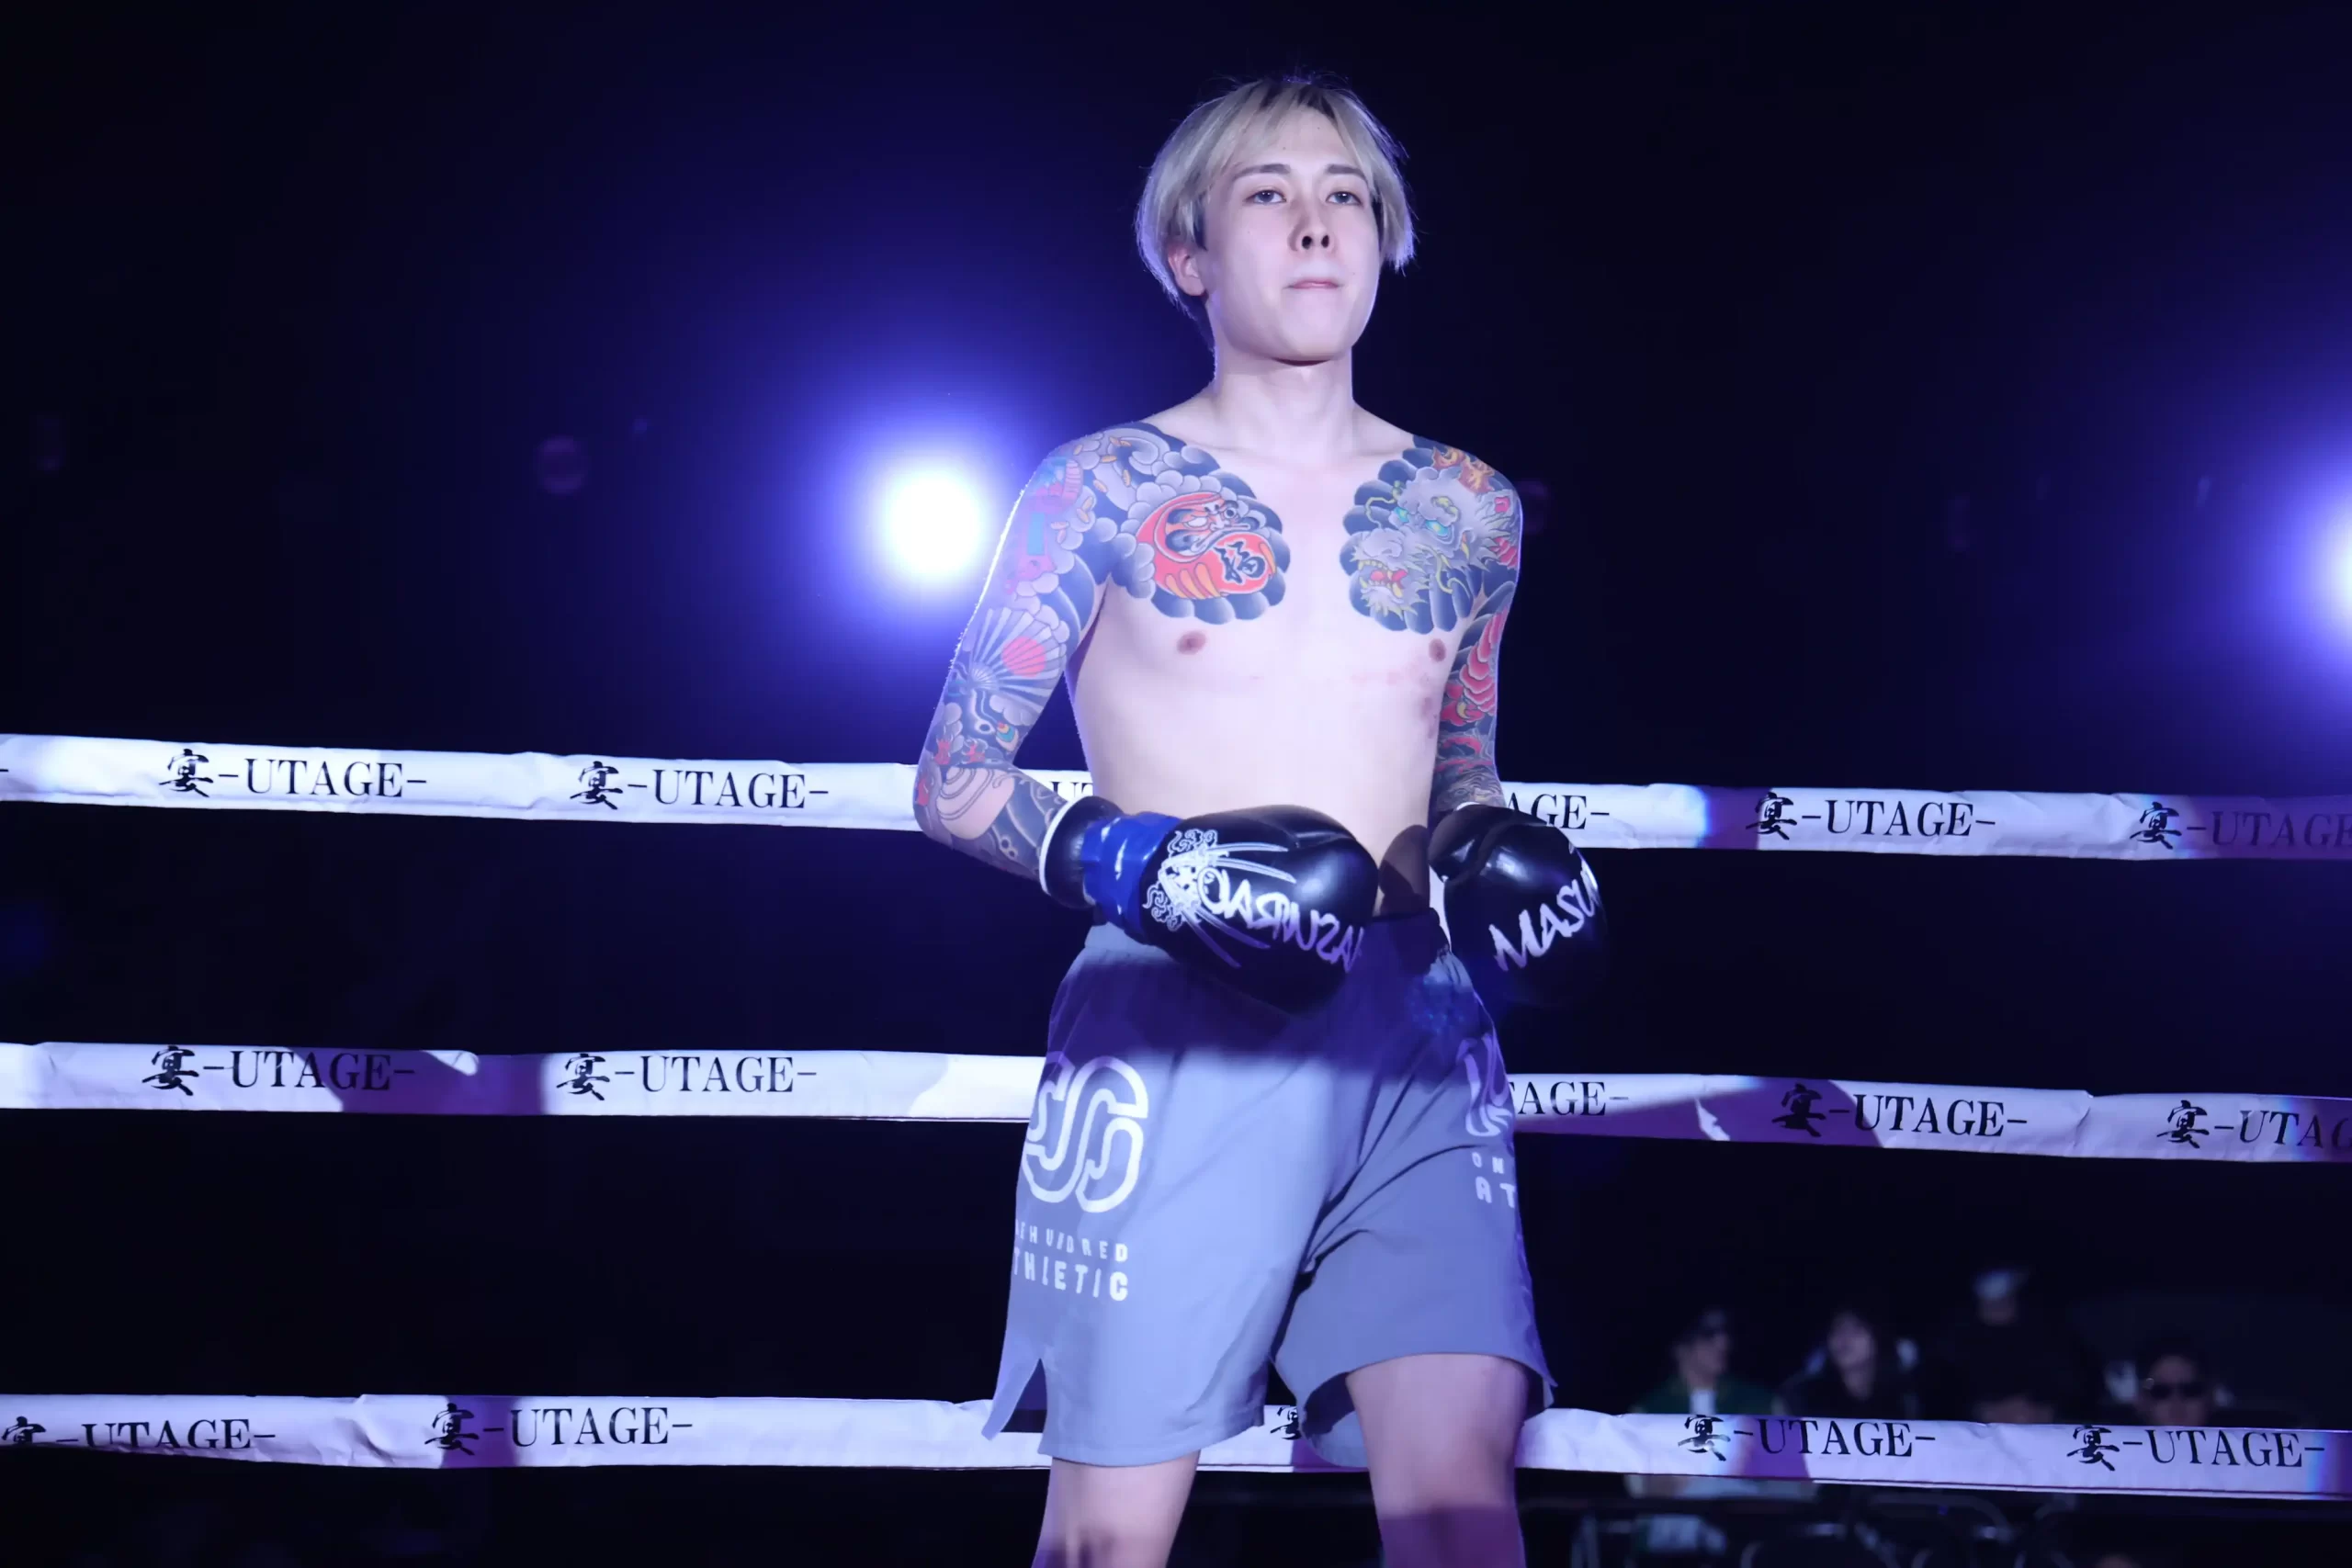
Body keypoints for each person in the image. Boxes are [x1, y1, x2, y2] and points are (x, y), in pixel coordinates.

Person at [911, 73, 1606, 1568]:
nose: (1314, 225)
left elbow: (1461, 776)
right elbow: (955, 777)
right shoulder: (1097, 488)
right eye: (1268, 195)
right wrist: (1142, 861)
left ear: (1386, 239)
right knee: (1112, 1534)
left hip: (1419, 1026)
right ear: (1190, 252)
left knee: (1463, 1511)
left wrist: (1500, 864)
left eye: (1346, 195)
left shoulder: (1469, 507)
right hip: (1179, 1014)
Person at [1778, 1302, 1920, 1420]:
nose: (1844, 1338)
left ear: (1878, 1338)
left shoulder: (1903, 1399)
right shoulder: (1801, 1396)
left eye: (1856, 1329)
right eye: (1837, 1329)